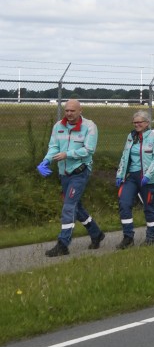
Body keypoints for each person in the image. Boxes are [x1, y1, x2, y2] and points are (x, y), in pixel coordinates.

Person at [37, 99, 106, 257]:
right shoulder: (58, 126)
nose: (68, 113)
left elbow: (89, 150)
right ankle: (96, 234)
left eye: (72, 111)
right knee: (77, 207)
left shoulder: (89, 127)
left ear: (80, 110)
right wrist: (46, 160)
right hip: (64, 173)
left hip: (80, 172)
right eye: (66, 110)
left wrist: (67, 154)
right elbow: (53, 147)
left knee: (68, 206)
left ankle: (63, 244)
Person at [114, 110, 154, 248]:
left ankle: (151, 237)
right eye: (134, 122)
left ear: (147, 123)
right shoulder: (131, 137)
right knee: (124, 203)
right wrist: (120, 174)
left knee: (149, 208)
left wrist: (148, 175)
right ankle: (128, 237)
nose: (136, 125)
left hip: (149, 179)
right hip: (131, 177)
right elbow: (125, 157)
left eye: (139, 122)